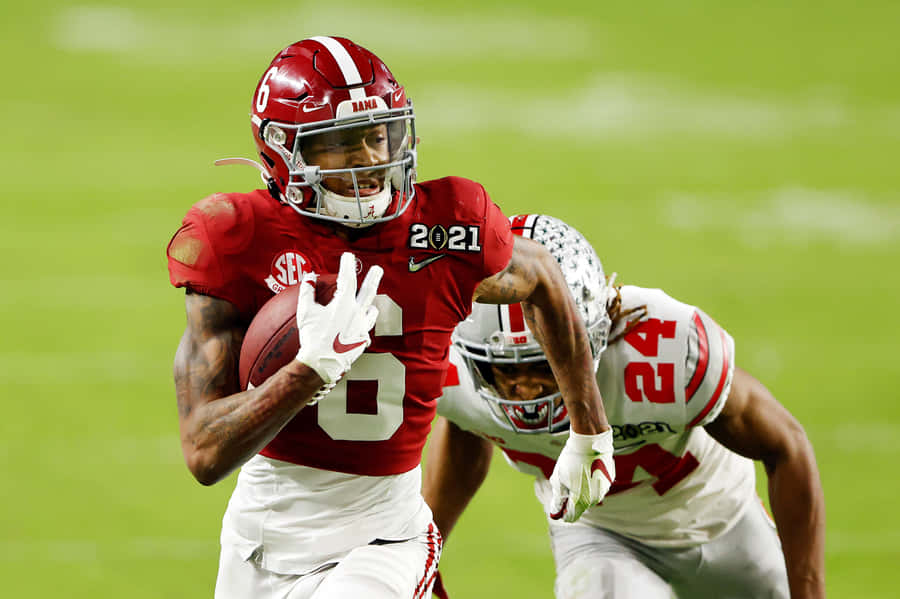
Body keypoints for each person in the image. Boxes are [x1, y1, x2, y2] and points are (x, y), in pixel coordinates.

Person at [166, 37, 615, 599]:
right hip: (263, 531)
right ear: (284, 153)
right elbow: (205, 452)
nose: (370, 161)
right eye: (338, 143)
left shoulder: (446, 229)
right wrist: (306, 373)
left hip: (383, 534)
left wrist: (591, 432)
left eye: (376, 136)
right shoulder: (237, 237)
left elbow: (543, 275)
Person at [424, 214, 826, 599]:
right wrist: (420, 554)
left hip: (720, 518)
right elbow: (468, 424)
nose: (525, 389)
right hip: (596, 534)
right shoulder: (451, 370)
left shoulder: (661, 352)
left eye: (540, 364)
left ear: (591, 333)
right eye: (501, 371)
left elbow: (785, 445)